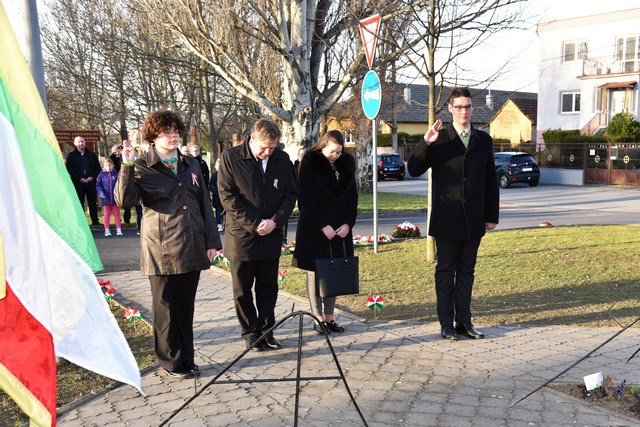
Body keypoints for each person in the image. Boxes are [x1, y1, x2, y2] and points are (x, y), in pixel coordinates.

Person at [115, 110, 222, 379]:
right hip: (161, 249)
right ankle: (170, 361)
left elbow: (204, 203)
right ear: (153, 136)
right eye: (166, 132)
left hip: (191, 244)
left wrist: (212, 241)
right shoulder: (141, 166)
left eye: (176, 131)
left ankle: (186, 358)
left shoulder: (190, 164)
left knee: (185, 308)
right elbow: (124, 202)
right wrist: (126, 166)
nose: (173, 136)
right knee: (165, 309)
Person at [407, 87, 499, 341]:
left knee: (467, 271)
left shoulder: (483, 140)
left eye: (467, 107)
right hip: (446, 218)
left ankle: (464, 322)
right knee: (446, 271)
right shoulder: (440, 138)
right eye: (458, 107)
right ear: (450, 109)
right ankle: (446, 324)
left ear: (472, 108)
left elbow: (490, 180)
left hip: (474, 218)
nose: (463, 111)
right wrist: (426, 142)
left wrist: (491, 215)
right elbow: (414, 169)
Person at [218, 118, 297, 352]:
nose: (268, 152)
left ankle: (266, 331)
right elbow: (227, 196)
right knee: (242, 289)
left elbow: (290, 194)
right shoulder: (231, 158)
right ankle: (250, 333)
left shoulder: (282, 159)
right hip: (241, 235)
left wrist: (275, 221)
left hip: (271, 233)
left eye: (272, 147)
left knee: (268, 287)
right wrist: (254, 223)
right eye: (264, 147)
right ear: (252, 138)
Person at [292, 130, 357, 334]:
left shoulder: (346, 164)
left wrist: (347, 224)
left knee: (333, 271)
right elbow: (305, 198)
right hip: (315, 227)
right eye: (332, 151)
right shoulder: (310, 162)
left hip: (339, 230)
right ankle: (317, 317)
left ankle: (329, 318)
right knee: (315, 272)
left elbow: (352, 198)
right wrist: (322, 225)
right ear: (322, 146)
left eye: (339, 152)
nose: (335, 156)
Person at [66, 135, 102, 225]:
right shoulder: (71, 156)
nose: (81, 143)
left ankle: (95, 221)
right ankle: (81, 222)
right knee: (79, 203)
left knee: (92, 202)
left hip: (90, 183)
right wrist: (79, 178)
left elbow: (98, 168)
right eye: (79, 142)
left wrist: (92, 177)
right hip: (78, 183)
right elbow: (69, 169)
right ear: (75, 143)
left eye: (82, 141)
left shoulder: (92, 155)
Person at [96, 158, 123, 237]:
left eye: (110, 165)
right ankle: (107, 230)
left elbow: (120, 185)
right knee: (106, 214)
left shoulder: (116, 174)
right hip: (106, 198)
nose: (108, 167)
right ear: (104, 166)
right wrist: (102, 194)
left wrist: (118, 194)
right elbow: (98, 185)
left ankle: (119, 229)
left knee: (117, 214)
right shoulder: (101, 175)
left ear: (113, 165)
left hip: (115, 198)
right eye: (106, 165)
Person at [109, 143, 131, 224]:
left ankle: (127, 219)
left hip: (124, 179)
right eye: (117, 149)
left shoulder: (124, 156)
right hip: (115, 180)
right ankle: (117, 218)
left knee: (126, 199)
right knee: (115, 201)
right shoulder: (111, 158)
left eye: (120, 149)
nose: (118, 151)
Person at [209, 158, 224, 232]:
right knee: (218, 211)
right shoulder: (214, 175)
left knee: (225, 211)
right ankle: (219, 223)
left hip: (224, 197)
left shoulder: (225, 175)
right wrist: (216, 192)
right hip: (217, 197)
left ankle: (224, 223)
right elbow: (211, 185)